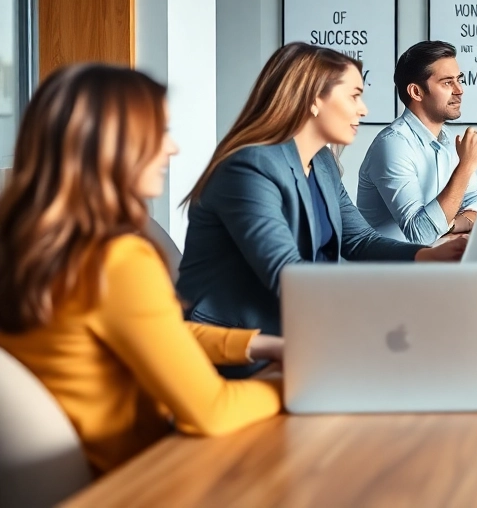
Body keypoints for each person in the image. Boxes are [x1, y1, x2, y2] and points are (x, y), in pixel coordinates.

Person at [0, 65, 282, 474]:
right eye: (160, 132)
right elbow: (213, 412)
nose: (172, 149)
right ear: (110, 144)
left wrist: (258, 346)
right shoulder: (116, 259)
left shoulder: (29, 243)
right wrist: (295, 382)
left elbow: (141, 332)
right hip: (143, 475)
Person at [177, 44, 465, 341]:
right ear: (314, 101)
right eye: (354, 96)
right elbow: (287, 276)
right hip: (238, 340)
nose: (363, 109)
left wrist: (427, 256)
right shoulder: (250, 168)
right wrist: (380, 302)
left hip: (298, 325)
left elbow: (359, 240)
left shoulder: (322, 161)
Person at [357, 41, 477, 245]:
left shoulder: (445, 137)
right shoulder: (393, 145)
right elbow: (421, 234)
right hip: (389, 271)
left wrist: (451, 224)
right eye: (447, 82)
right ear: (416, 92)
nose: (459, 90)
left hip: (432, 262)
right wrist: (466, 166)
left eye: (459, 80)